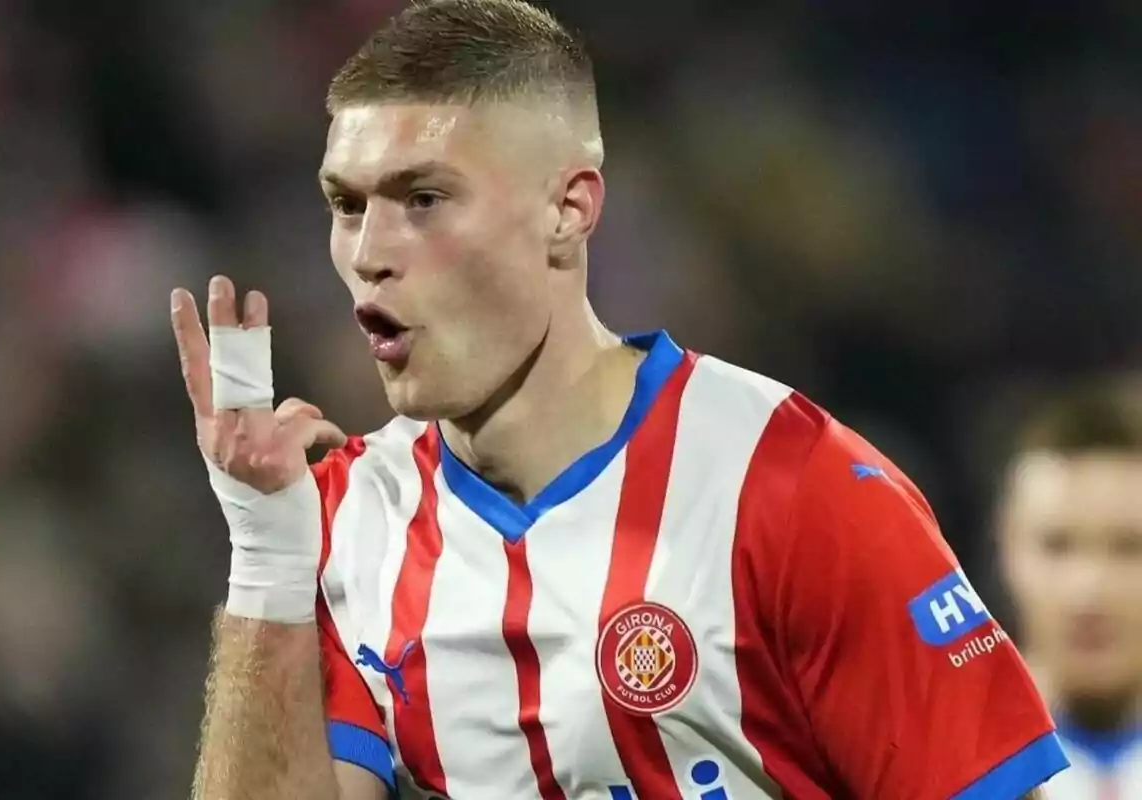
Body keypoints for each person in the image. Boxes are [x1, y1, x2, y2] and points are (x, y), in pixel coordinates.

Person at [171, 1, 1069, 797]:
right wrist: (265, 565)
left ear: (570, 209)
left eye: (424, 198)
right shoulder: (345, 525)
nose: (368, 251)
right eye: (346, 203)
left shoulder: (790, 486)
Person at [997, 380, 1142, 798]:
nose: (1089, 590)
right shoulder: (938, 768)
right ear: (1007, 550)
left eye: (1129, 548)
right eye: (1057, 545)